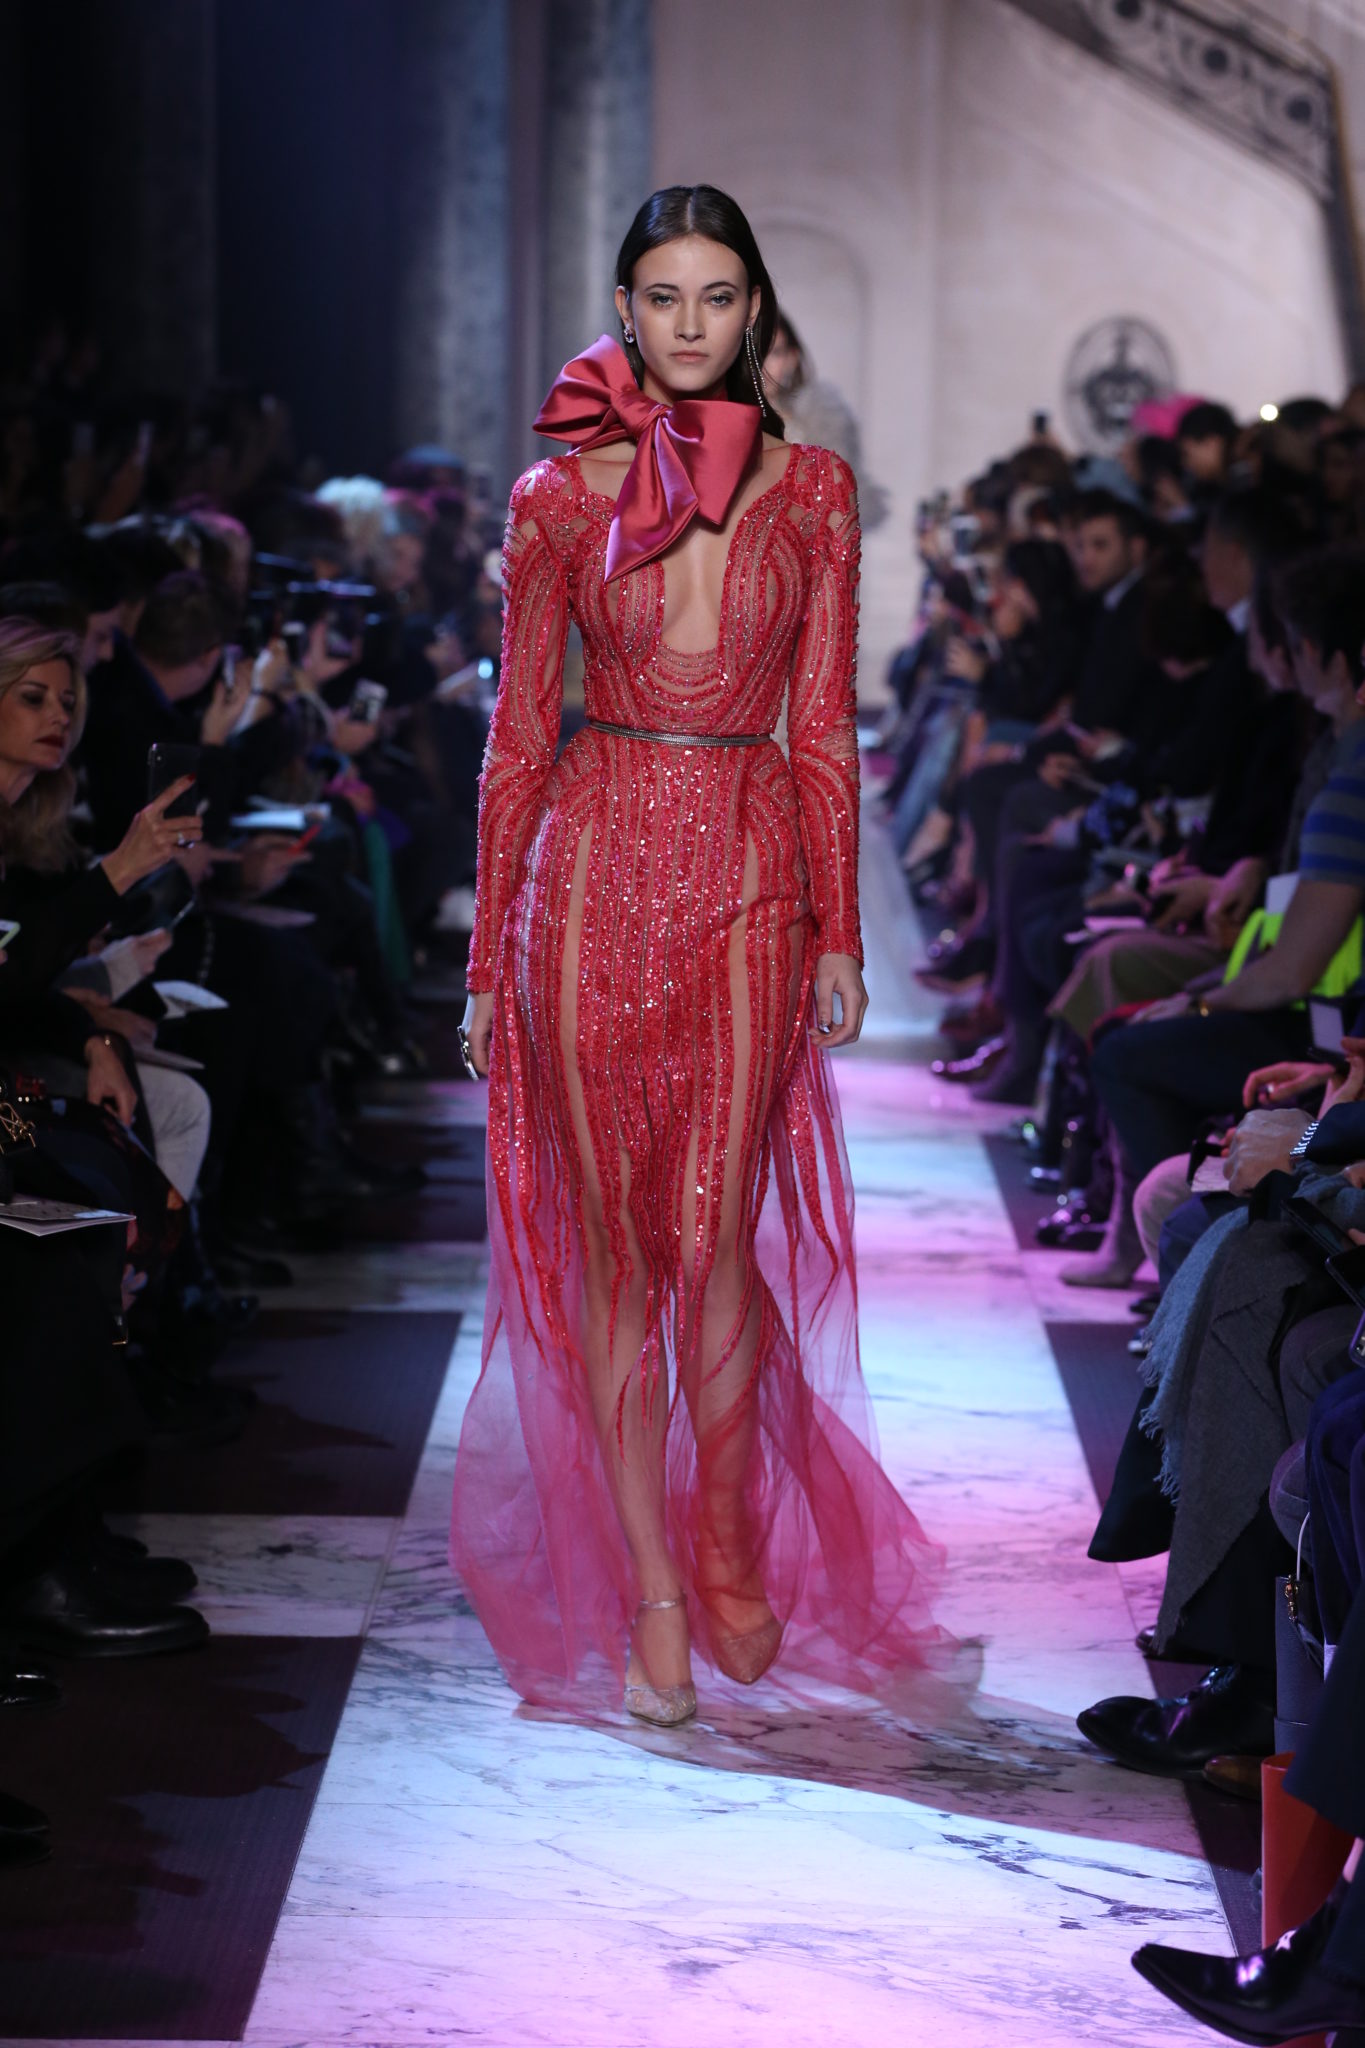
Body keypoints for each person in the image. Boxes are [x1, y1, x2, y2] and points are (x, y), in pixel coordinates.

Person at [451, 184, 956, 1722]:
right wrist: (484, 961)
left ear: (754, 314)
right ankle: (655, 1590)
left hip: (747, 875)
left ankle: (726, 1528)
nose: (687, 323)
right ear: (624, 307)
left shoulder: (812, 492)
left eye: (716, 296)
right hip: (586, 878)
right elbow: (514, 739)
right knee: (614, 1250)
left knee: (711, 1230)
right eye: (661, 296)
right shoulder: (554, 499)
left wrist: (840, 929)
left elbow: (823, 728)